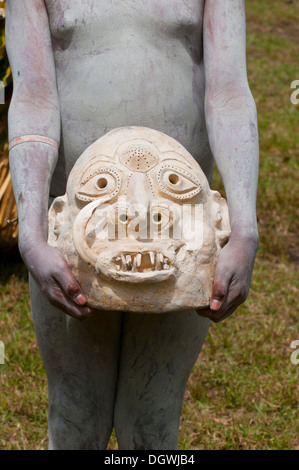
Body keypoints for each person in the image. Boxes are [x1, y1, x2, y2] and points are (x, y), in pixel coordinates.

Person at [6, 0, 259, 450]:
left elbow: (228, 93)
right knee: (75, 413)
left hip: (180, 229)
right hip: (75, 227)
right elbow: (34, 96)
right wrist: (32, 236)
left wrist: (244, 229)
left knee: (153, 420)